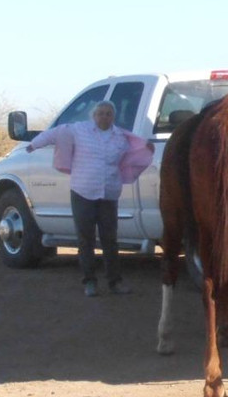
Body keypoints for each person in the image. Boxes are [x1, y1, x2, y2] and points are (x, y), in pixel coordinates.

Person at [26, 101, 154, 297]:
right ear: (94, 116)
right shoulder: (78, 130)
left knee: (110, 240)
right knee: (85, 238)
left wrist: (147, 148)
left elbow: (136, 150)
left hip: (109, 193)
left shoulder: (120, 137)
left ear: (113, 117)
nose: (104, 117)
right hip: (82, 191)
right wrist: (33, 145)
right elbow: (54, 133)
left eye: (108, 114)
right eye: (101, 113)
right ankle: (90, 281)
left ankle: (114, 282)